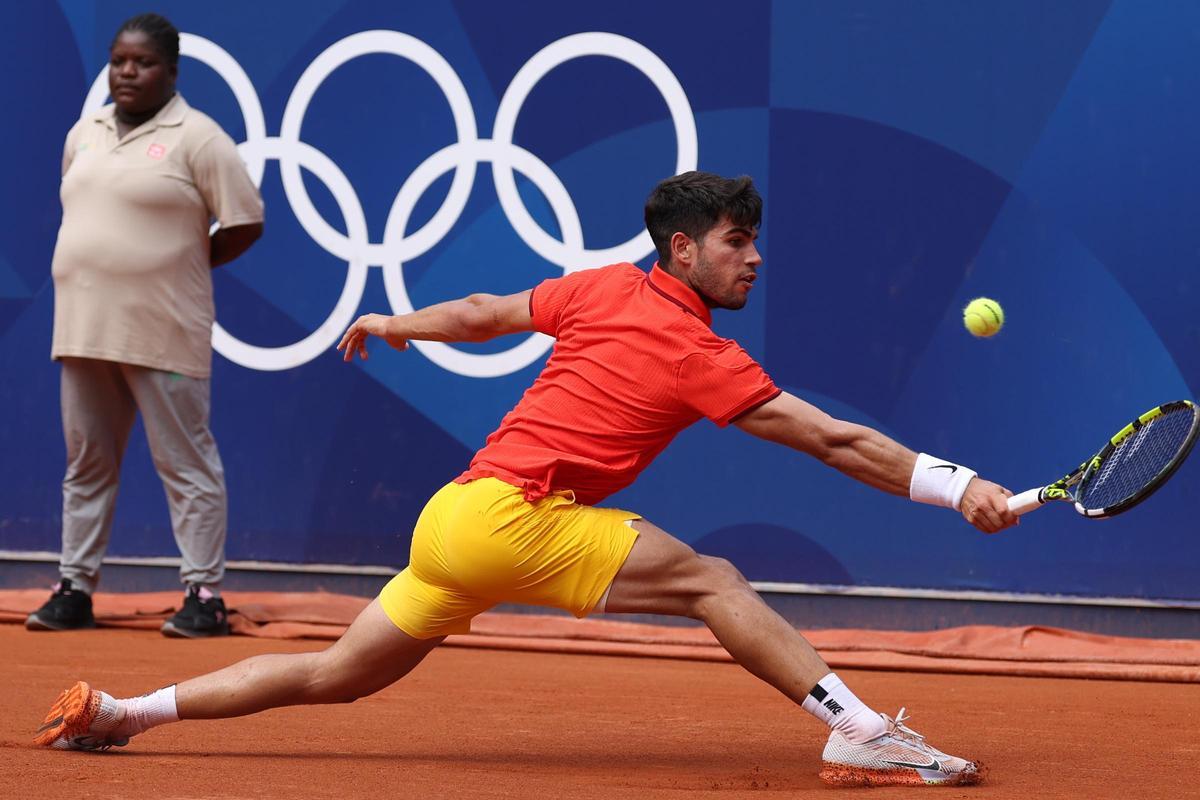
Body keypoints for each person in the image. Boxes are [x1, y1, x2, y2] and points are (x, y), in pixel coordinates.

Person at [35, 172, 1015, 786]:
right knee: (715, 579)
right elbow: (836, 442)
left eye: (755, 242)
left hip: (452, 517)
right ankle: (858, 730)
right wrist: (956, 479)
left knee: (334, 674)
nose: (753, 258)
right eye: (734, 242)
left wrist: (391, 320)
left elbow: (479, 311)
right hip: (514, 517)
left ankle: (121, 712)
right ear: (684, 248)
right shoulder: (696, 348)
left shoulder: (597, 286)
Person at [25, 13, 264, 638]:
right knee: (86, 465)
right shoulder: (86, 132)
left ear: (171, 72)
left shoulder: (200, 138)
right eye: (119, 60)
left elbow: (243, 221)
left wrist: (181, 262)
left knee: (186, 465)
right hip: (81, 328)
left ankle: (205, 595)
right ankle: (74, 588)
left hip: (164, 327)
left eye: (143, 62)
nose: (127, 72)